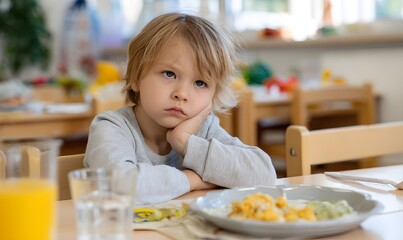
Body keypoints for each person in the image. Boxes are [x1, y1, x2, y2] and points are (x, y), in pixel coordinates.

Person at [84, 12, 277, 205]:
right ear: (136, 77)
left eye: (200, 83)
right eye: (169, 74)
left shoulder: (204, 129)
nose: (182, 93)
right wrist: (192, 180)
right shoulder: (111, 127)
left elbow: (264, 174)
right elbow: (121, 186)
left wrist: (185, 143)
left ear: (213, 95)